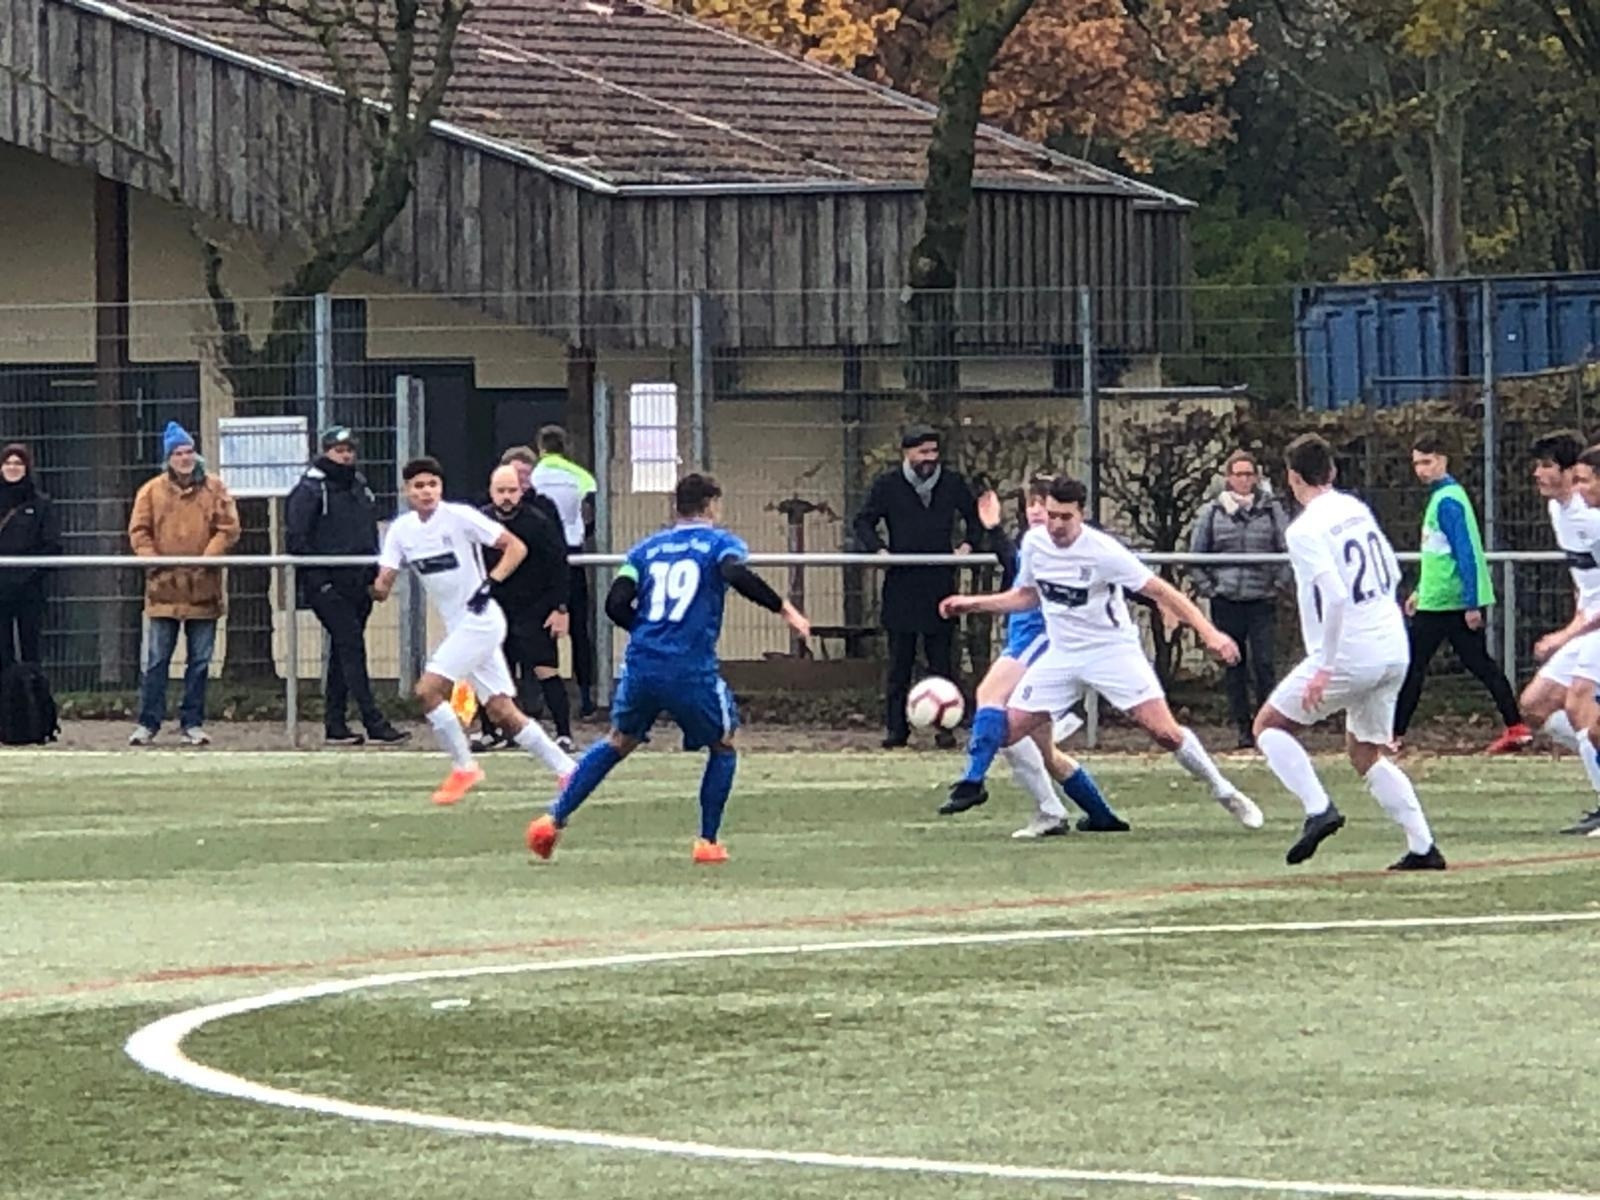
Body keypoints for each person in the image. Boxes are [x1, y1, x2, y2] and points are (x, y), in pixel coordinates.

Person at [939, 476, 1262, 829]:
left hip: (1111, 652)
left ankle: (1224, 790)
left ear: (1081, 514)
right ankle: (1025, 800)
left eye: (1065, 517)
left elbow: (1162, 591)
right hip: (1061, 655)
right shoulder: (1035, 543)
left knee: (1165, 733)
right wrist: (973, 603)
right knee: (1004, 734)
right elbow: (1028, 596)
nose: (1056, 525)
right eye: (1052, 516)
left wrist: (1210, 633)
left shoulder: (1103, 551)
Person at [526, 473, 810, 863]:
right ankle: (707, 842)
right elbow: (734, 572)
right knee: (723, 744)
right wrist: (785, 608)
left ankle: (551, 819)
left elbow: (614, 605)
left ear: (677, 507)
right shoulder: (720, 544)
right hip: (689, 667)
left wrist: (647, 632)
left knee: (617, 741)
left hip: (641, 663)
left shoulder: (646, 550)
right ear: (711, 505)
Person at [1253, 434, 1445, 870]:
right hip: (1393, 645)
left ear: (1292, 477)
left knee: (1269, 727)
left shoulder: (1303, 529)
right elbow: (1391, 571)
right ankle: (1423, 847)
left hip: (1351, 651)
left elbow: (1336, 596)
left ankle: (1318, 808)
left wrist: (1324, 665)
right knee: (1365, 752)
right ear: (1333, 471)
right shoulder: (1355, 508)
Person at [372, 457, 576, 805]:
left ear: (441, 488)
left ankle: (464, 767)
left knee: (427, 690)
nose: (426, 492)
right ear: (407, 491)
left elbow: (516, 547)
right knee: (502, 711)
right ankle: (568, 769)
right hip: (459, 626)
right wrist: (370, 587)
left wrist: (490, 583)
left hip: (481, 620)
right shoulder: (401, 531)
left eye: (432, 484)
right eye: (419, 486)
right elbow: (383, 583)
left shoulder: (460, 517)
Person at [943, 475, 1128, 837]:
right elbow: (1016, 568)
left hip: (1041, 636)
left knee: (991, 698)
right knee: (1041, 748)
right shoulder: (1034, 544)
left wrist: (994, 532)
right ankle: (1099, 816)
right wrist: (994, 529)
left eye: (1044, 505)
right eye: (1032, 505)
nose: (1038, 511)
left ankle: (974, 780)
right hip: (1024, 636)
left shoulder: (1066, 547)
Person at [1393, 434, 1527, 753]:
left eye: (1427, 462)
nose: (1421, 470)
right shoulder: (1447, 497)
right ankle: (1516, 726)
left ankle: (1393, 735)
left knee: (1413, 666)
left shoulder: (1447, 501)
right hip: (1439, 597)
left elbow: (1465, 552)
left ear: (1443, 460)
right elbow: (1439, 555)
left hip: (1444, 601)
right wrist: (1421, 590)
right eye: (1417, 463)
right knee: (1479, 663)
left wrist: (1471, 603)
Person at [851, 426, 979, 749]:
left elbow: (976, 517)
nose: (930, 458)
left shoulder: (951, 483)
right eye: (923, 452)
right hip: (902, 583)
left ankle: (945, 728)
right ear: (906, 453)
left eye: (934, 451)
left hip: (940, 585)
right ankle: (896, 731)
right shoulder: (888, 485)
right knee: (899, 663)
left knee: (942, 661)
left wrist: (967, 546)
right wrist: (879, 550)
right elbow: (863, 521)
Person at [284, 427, 409, 747]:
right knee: (351, 646)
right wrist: (320, 583)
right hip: (328, 586)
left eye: (349, 450)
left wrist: (373, 577)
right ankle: (373, 721)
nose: (345, 456)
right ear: (326, 451)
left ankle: (336, 725)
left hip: (358, 584)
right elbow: (297, 540)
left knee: (343, 653)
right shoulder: (310, 490)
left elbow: (367, 534)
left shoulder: (359, 487)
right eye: (338, 450)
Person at [127, 422, 240, 746]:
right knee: (157, 661)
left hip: (203, 588)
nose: (185, 458)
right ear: (169, 458)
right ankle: (148, 723)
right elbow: (139, 532)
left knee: (200, 662)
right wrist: (154, 562)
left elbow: (228, 528)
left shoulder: (215, 489)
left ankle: (192, 723)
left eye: (189, 451)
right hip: (163, 588)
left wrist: (207, 560)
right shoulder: (150, 491)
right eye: (178, 453)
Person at [1514, 430, 1600, 835]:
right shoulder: (1558, 510)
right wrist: (1576, 622)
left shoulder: (1593, 517)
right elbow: (1584, 578)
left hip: (1593, 626)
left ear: (1570, 473)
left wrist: (1566, 635)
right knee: (1535, 705)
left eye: (1547, 466)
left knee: (1580, 704)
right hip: (1587, 624)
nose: (1537, 473)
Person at [1188, 449, 1289, 748]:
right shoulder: (1211, 512)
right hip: (1227, 599)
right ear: (1228, 478)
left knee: (1265, 664)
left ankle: (1267, 727)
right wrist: (1210, 588)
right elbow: (1196, 556)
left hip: (1261, 599)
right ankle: (1243, 730)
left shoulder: (1271, 510)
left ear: (1256, 477)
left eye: (1249, 474)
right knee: (1234, 666)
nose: (1244, 480)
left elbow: (1287, 549)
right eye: (1238, 474)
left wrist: (1278, 584)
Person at [477, 463, 575, 753]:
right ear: (491, 492)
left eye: (512, 490)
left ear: (521, 491)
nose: (507, 497)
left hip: (535, 607)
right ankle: (491, 731)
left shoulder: (538, 522)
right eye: (501, 491)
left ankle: (563, 732)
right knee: (491, 670)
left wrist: (560, 608)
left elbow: (558, 566)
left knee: (546, 669)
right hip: (495, 608)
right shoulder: (481, 521)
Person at [529, 427, 599, 717]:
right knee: (580, 628)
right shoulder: (581, 476)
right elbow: (591, 513)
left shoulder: (533, 476)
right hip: (574, 554)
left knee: (542, 629)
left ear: (540, 447)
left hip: (542, 557)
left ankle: (545, 698)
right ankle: (587, 698)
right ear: (565, 445)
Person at [0, 443, 60, 669]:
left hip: (30, 588)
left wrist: (29, 574)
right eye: (7, 462)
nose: (12, 467)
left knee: (31, 649)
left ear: (27, 467)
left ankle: (32, 690)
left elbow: (52, 545)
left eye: (18, 463)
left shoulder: (41, 503)